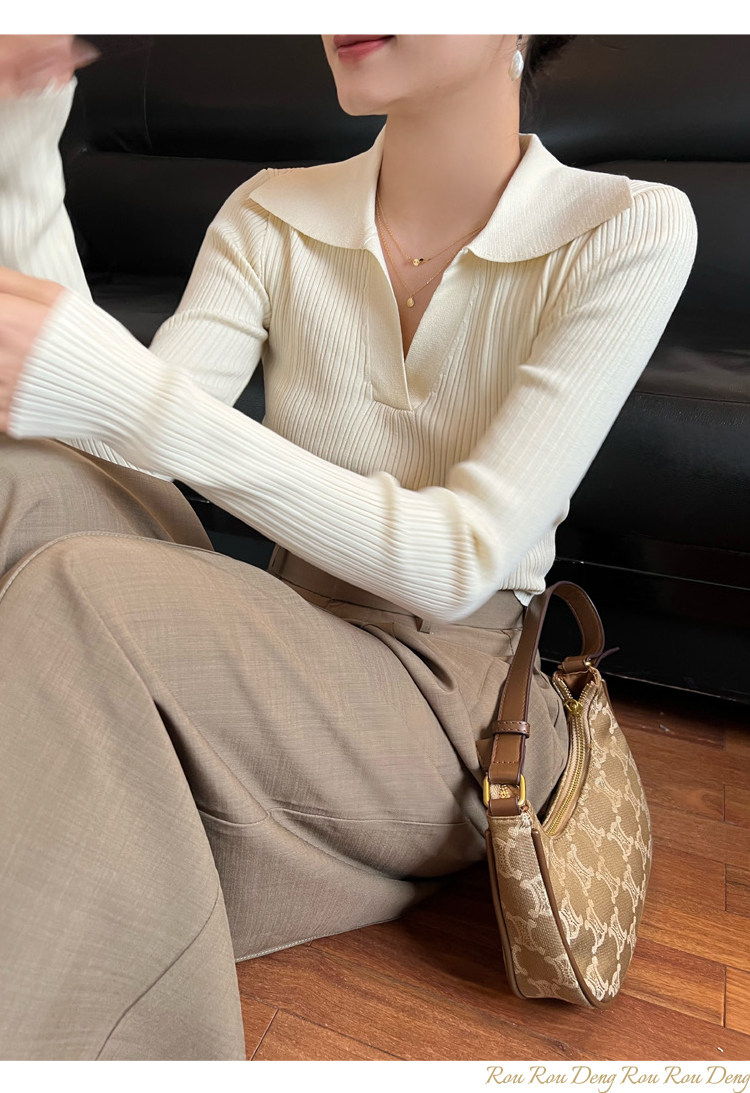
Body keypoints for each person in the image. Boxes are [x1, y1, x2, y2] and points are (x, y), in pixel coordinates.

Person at [0, 34, 697, 1060]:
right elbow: (114, 440)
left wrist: (120, 389)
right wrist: (21, 127)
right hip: (288, 643)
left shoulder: (625, 226)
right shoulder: (270, 210)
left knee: (76, 592)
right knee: (29, 479)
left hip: (457, 702)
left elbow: (463, 557)